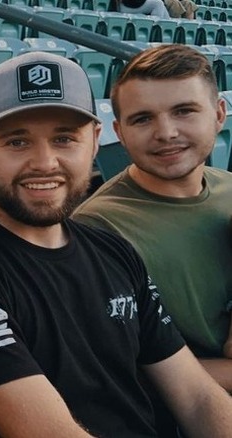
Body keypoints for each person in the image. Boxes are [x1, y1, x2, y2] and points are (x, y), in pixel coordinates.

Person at [0, 51, 232, 437]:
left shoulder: (113, 251)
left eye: (65, 138)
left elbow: (197, 397)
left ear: (96, 141)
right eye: (17, 142)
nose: (45, 161)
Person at [73, 44, 232, 391]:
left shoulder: (228, 190)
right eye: (143, 118)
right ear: (119, 130)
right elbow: (121, 369)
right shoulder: (99, 229)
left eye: (184, 111)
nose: (166, 133)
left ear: (219, 114)